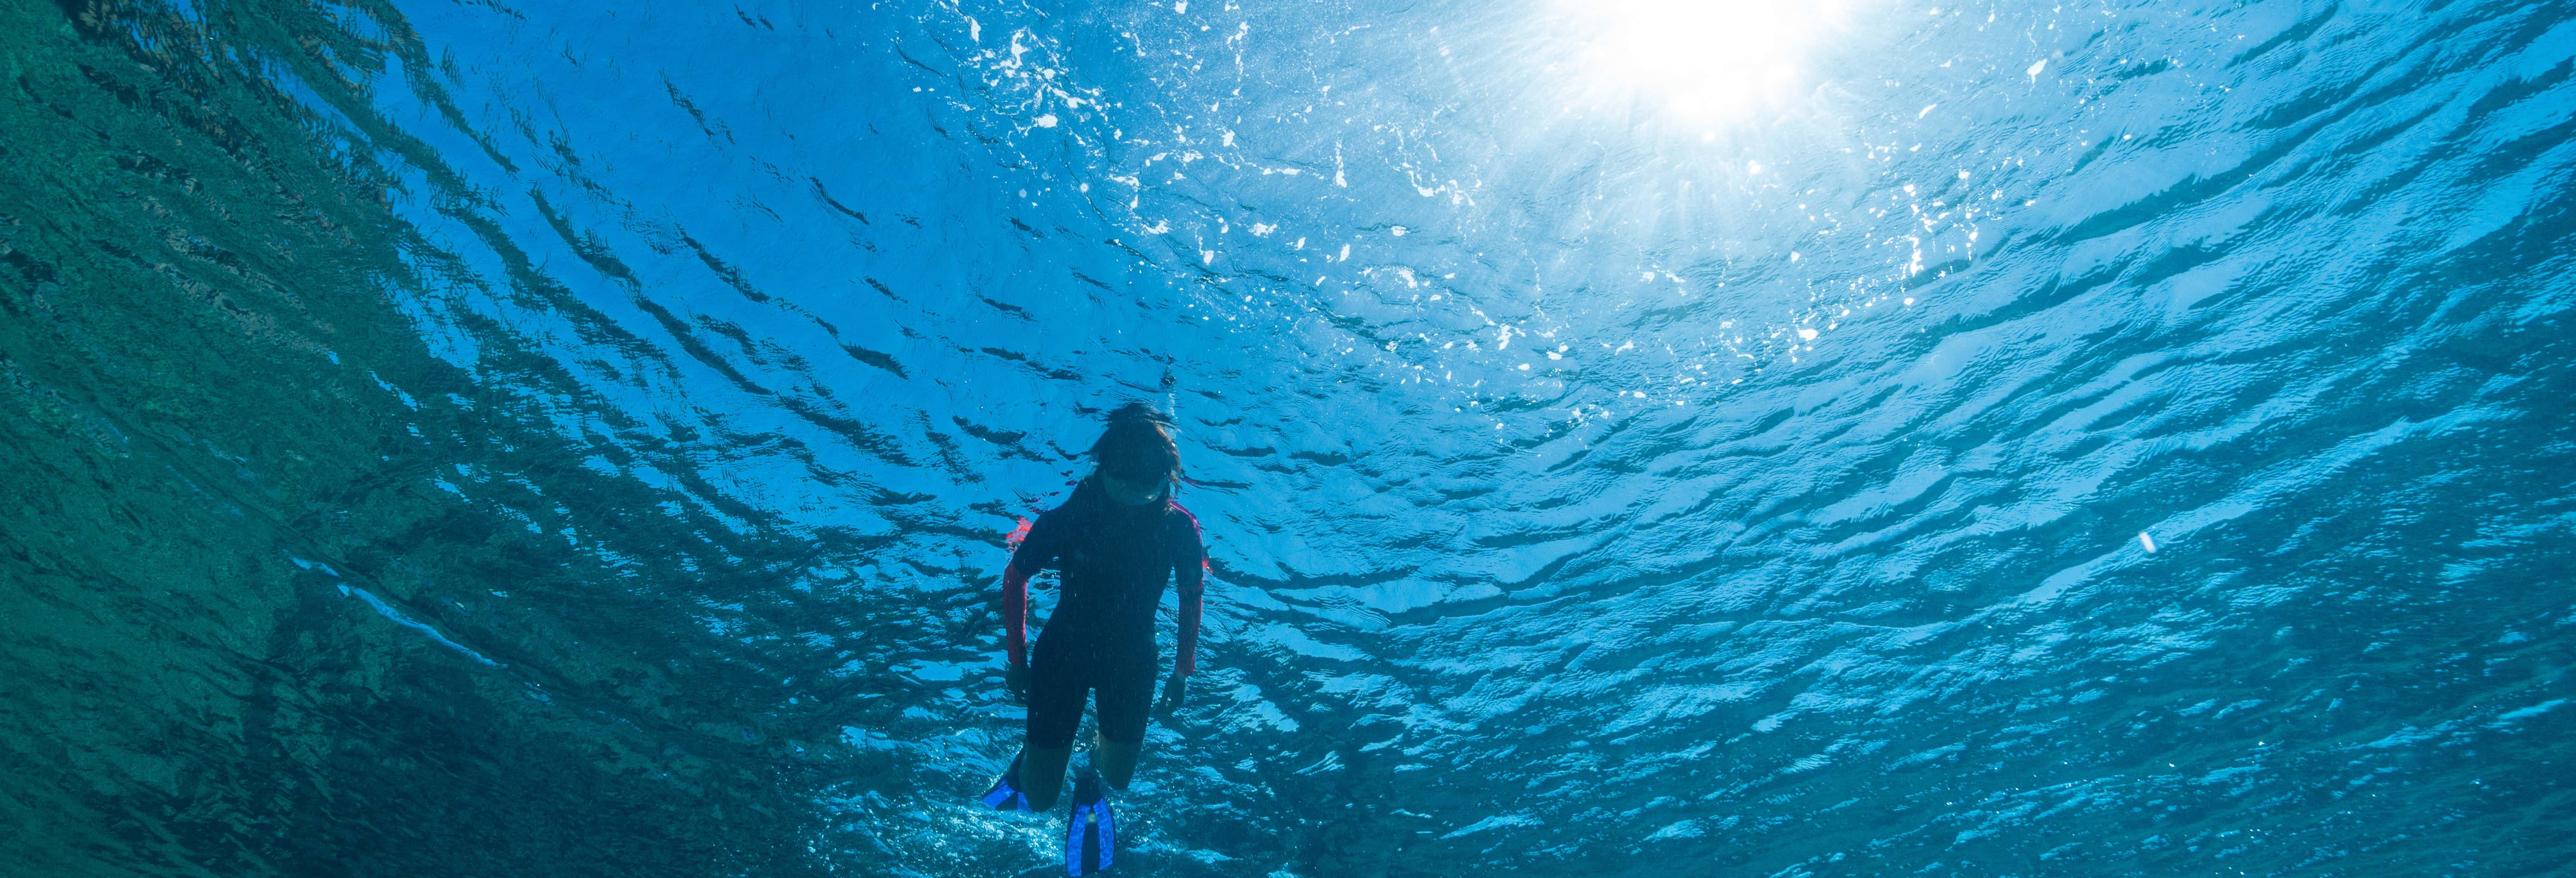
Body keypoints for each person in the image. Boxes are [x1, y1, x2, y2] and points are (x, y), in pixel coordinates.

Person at [981, 402, 1206, 874]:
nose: (1131, 496)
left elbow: (1191, 596)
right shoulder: (1073, 514)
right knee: (1040, 800)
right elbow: (1014, 577)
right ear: (1103, 468)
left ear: (1165, 480)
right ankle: (1034, 761)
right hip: (1063, 656)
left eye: (1145, 488)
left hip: (1131, 661)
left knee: (1117, 777)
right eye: (1122, 484)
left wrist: (1182, 671)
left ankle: (1086, 772)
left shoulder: (1178, 526)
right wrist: (1016, 661)